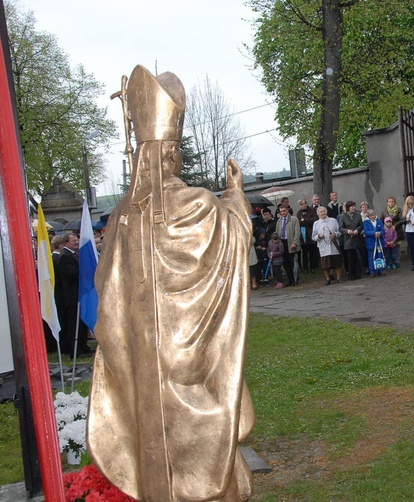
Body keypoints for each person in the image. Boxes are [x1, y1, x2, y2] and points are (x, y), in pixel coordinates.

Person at [88, 65, 254, 500]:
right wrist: (235, 194)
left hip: (145, 364)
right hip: (188, 364)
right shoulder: (199, 204)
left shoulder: (123, 214)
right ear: (170, 155)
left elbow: (106, 295)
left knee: (156, 464)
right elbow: (235, 237)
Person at [312, 206, 343, 284]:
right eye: (321, 212)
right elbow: (313, 237)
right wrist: (319, 236)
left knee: (337, 263)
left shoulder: (333, 220)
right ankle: (328, 279)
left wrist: (335, 234)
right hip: (323, 246)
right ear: (318, 214)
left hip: (334, 245)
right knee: (325, 264)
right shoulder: (316, 223)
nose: (323, 213)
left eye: (324, 211)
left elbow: (339, 231)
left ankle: (339, 278)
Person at [276, 204, 300, 286]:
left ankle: (295, 279)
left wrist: (295, 242)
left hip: (291, 242)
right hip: (282, 243)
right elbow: (277, 232)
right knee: (286, 263)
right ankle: (290, 280)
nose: (282, 213)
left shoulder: (294, 219)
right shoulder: (279, 221)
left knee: (293, 262)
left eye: (284, 211)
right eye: (281, 211)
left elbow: (297, 232)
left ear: (287, 210)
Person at [339, 200, 363, 280]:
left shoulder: (358, 215)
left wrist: (357, 230)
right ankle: (351, 274)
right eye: (352, 206)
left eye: (354, 206)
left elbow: (361, 225)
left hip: (357, 238)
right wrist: (347, 231)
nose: (353, 208)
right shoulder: (343, 216)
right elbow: (341, 228)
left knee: (357, 257)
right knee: (350, 258)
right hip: (348, 240)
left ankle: (358, 273)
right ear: (348, 207)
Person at [380, 196, 404, 268]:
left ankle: (397, 262)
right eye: (390, 201)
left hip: (397, 231)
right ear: (387, 203)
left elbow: (402, 220)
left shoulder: (399, 210)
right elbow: (381, 220)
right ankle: (390, 263)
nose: (391, 203)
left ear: (395, 202)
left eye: (392, 201)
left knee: (397, 248)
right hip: (387, 233)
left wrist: (395, 226)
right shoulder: (384, 211)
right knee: (388, 250)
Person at [297, 198, 318, 273]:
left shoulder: (311, 211)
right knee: (304, 253)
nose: (303, 206)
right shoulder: (299, 212)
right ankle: (305, 268)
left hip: (310, 233)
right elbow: (299, 222)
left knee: (312, 252)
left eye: (304, 204)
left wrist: (305, 220)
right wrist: (307, 220)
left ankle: (313, 267)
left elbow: (314, 220)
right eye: (301, 205)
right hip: (303, 235)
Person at [363, 209, 386, 277]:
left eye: (374, 215)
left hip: (379, 242)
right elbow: (366, 232)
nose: (373, 216)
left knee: (380, 256)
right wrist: (374, 233)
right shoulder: (366, 222)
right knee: (371, 257)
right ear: (369, 216)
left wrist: (379, 233)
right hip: (371, 243)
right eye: (371, 215)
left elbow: (383, 230)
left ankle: (380, 270)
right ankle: (372, 272)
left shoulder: (379, 221)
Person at [402, 195, 414, 271]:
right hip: (408, 230)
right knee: (411, 248)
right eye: (409, 204)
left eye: (412, 204)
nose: (410, 205)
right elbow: (401, 220)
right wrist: (406, 220)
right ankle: (413, 264)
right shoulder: (405, 210)